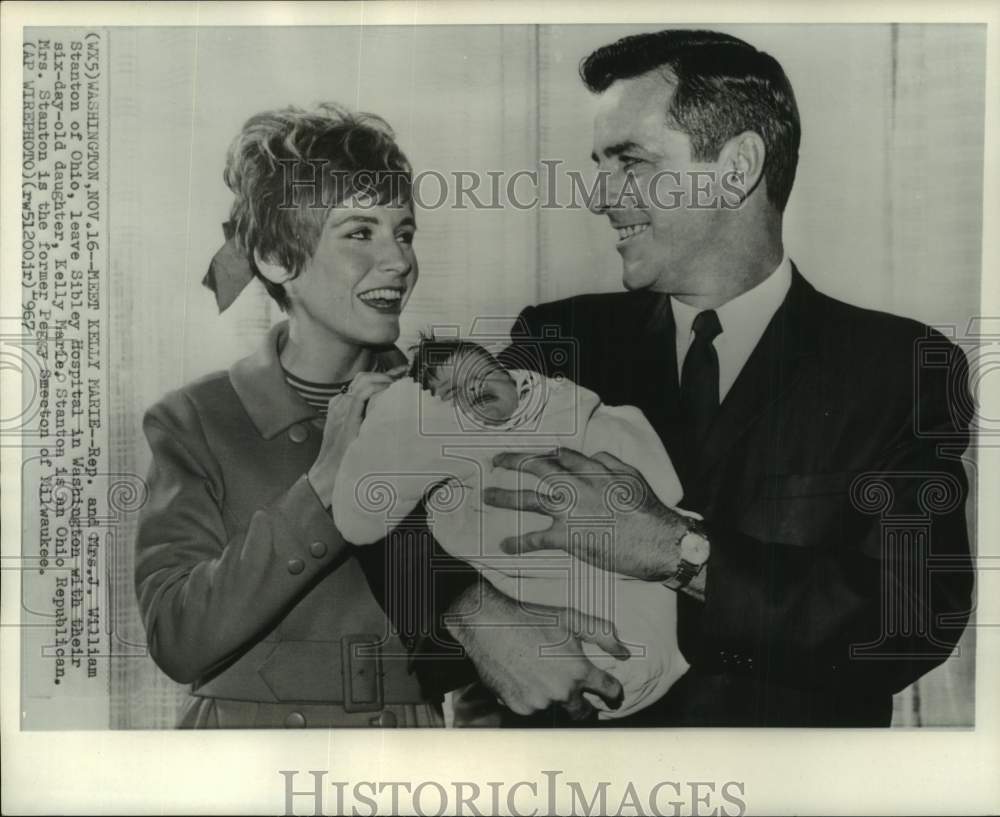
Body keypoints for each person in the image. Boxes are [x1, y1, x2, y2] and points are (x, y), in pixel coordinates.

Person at [403, 29, 974, 727]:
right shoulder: (561, 341)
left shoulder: (900, 365)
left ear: (737, 168)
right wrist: (472, 615)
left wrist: (680, 550)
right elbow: (397, 505)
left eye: (631, 161)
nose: (599, 195)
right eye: (599, 162)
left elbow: (914, 617)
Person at [133, 103, 446, 728]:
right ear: (277, 259)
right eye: (360, 232)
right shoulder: (194, 420)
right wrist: (323, 488)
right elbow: (176, 638)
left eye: (403, 233)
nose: (399, 260)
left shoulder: (441, 405)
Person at [331, 336, 692, 719]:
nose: (472, 391)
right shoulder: (451, 458)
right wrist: (394, 412)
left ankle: (630, 658)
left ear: (518, 382)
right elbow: (374, 510)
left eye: (485, 375)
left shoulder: (564, 410)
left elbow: (651, 483)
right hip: (529, 592)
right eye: (452, 393)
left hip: (614, 560)